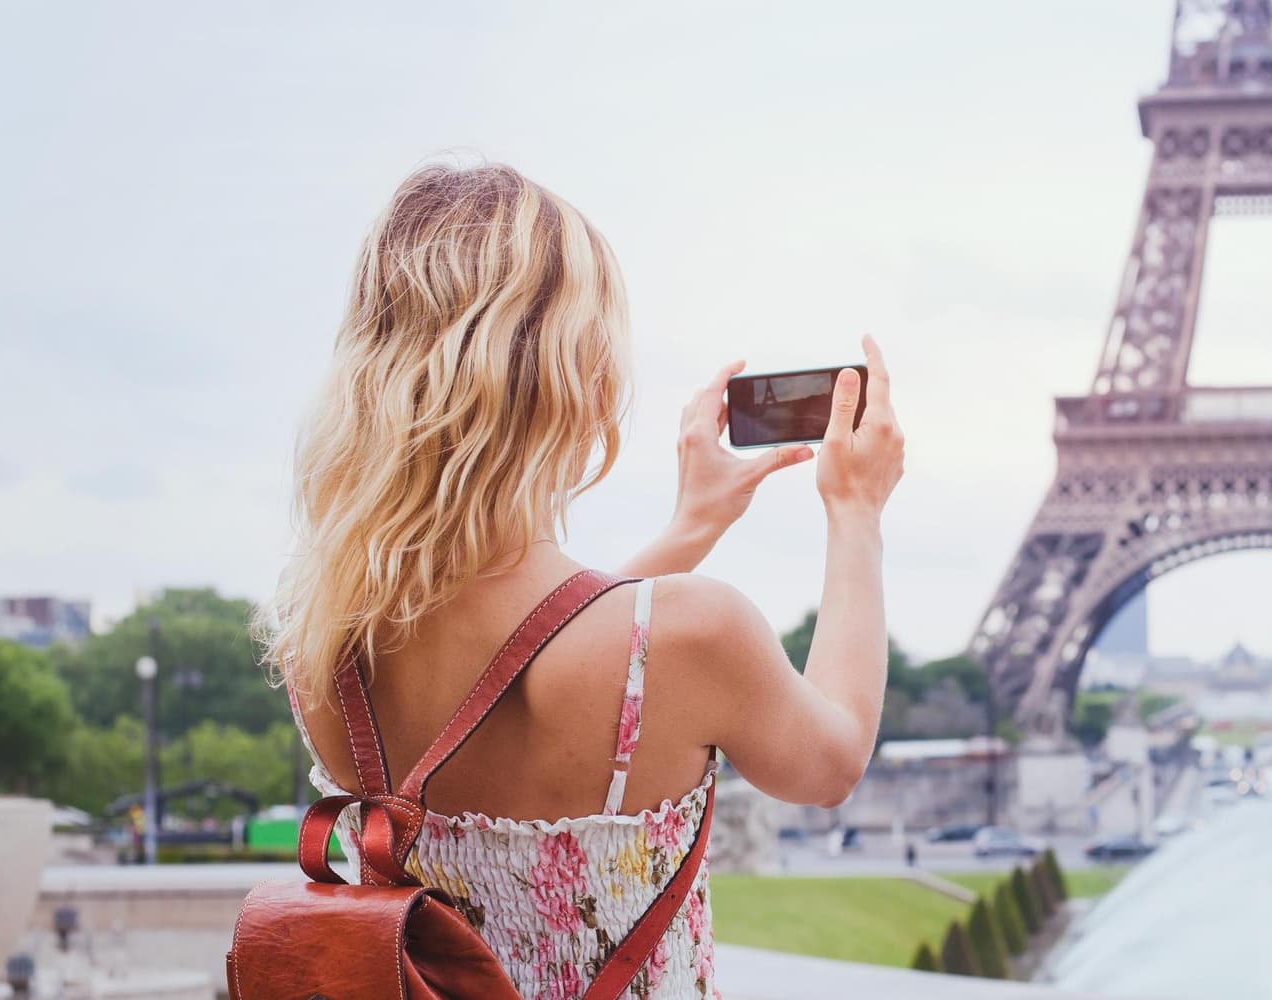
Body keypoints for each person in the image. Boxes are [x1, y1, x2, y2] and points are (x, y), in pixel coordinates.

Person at [263, 162, 905, 999]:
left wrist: (690, 529)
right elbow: (834, 759)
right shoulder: (694, 634)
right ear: (584, 381)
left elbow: (518, 667)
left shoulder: (324, 646)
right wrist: (856, 513)